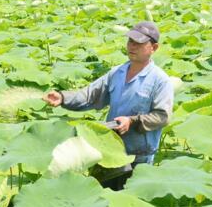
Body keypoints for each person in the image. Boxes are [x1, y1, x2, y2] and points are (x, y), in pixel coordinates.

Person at [43, 21, 174, 190]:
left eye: (139, 43)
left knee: (128, 205)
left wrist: (132, 121)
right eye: (130, 41)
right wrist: (62, 97)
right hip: (110, 151)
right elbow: (90, 95)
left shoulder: (160, 80)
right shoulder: (117, 73)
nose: (132, 46)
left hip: (139, 156)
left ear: (154, 48)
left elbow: (162, 116)